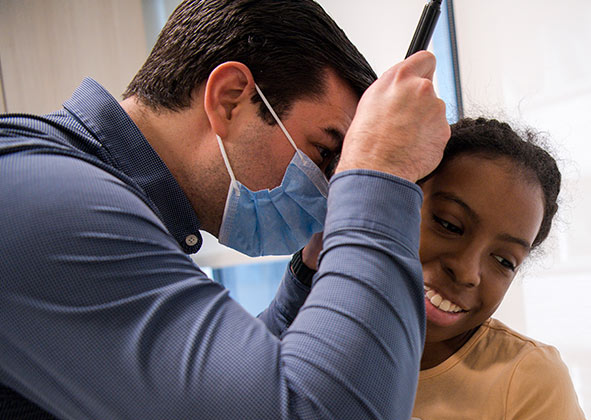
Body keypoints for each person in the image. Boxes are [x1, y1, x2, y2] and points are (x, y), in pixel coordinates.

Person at [0, 1, 449, 419]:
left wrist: (309, 279)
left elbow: (209, 385)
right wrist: (379, 170)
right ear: (230, 97)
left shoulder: (74, 185)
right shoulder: (53, 200)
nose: (329, 194)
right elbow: (314, 409)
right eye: (325, 153)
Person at [296, 118, 585, 419]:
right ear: (399, 200)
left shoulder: (529, 379)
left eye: (504, 261)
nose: (466, 272)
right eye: (449, 224)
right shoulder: (317, 335)